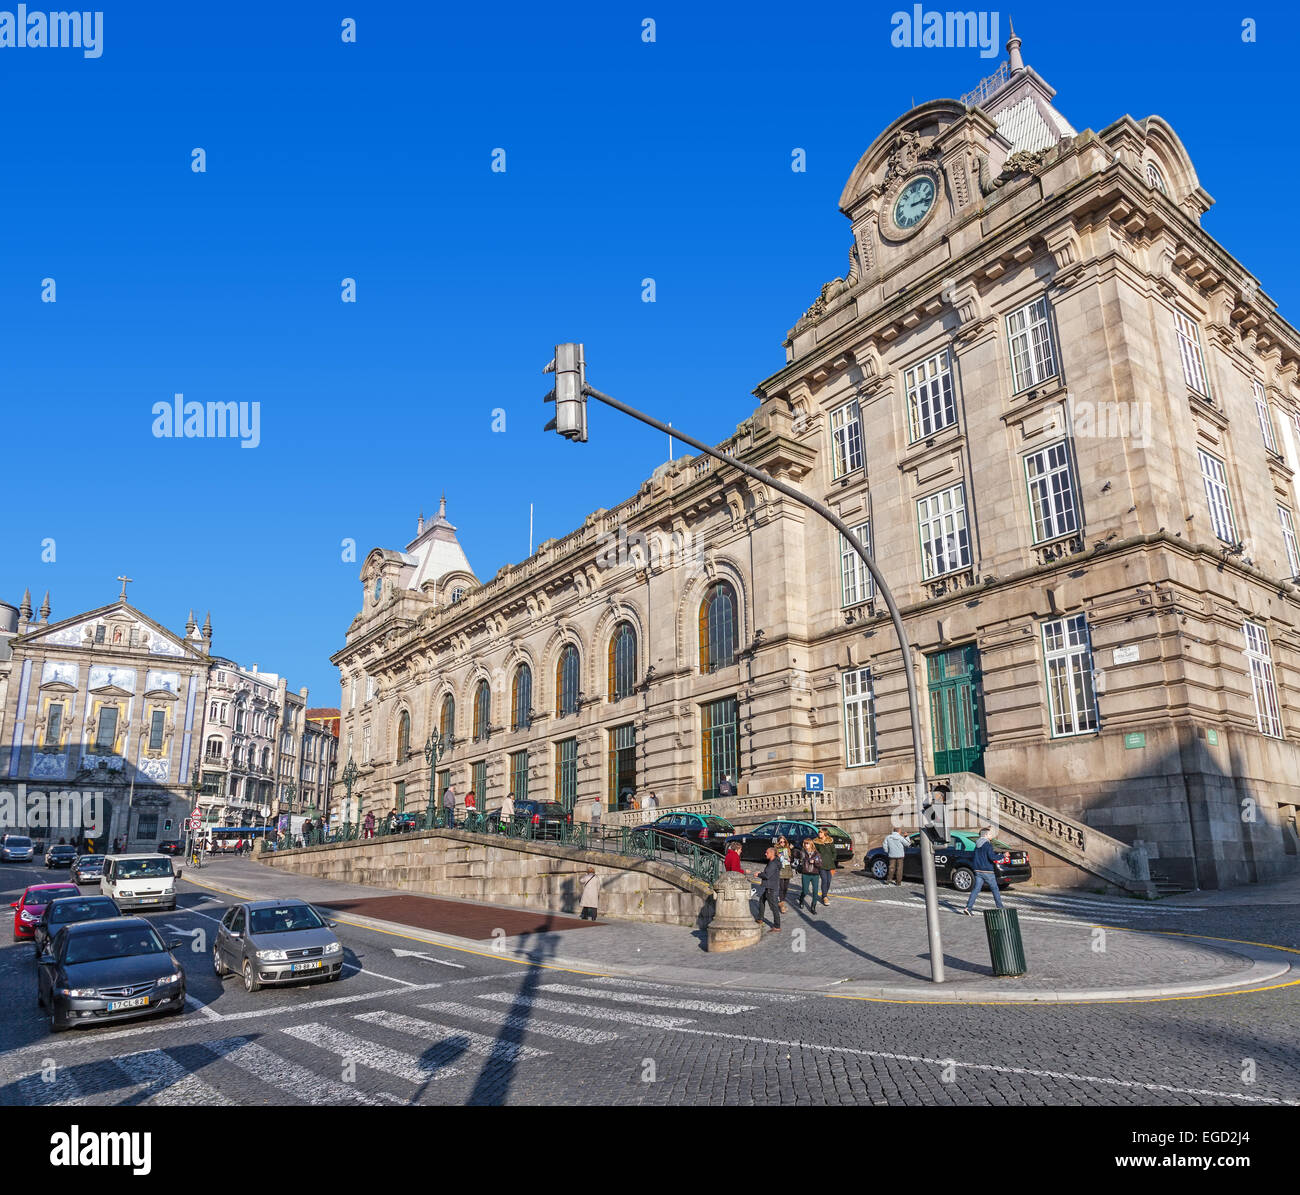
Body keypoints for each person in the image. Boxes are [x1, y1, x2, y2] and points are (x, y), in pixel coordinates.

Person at [962, 827, 1005, 915]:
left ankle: (968, 908)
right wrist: (1003, 856)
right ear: (985, 835)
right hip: (987, 871)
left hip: (978, 870)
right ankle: (1000, 908)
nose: (991, 835)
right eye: (989, 834)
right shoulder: (987, 845)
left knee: (976, 889)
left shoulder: (977, 844)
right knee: (995, 889)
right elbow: (992, 857)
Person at [751, 846, 782, 932]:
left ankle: (777, 925)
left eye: (767, 853)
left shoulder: (773, 863)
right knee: (761, 900)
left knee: (774, 906)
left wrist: (758, 874)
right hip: (770, 886)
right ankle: (760, 918)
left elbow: (767, 875)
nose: (765, 854)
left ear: (772, 854)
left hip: (771, 888)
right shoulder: (774, 861)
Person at [797, 838, 821, 912]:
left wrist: (814, 862)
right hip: (805, 873)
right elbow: (800, 861)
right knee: (805, 891)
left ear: (811, 844)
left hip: (815, 874)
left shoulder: (817, 853)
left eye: (807, 843)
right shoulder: (802, 853)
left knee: (815, 891)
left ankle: (813, 906)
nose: (806, 845)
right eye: (805, 843)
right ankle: (801, 899)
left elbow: (820, 864)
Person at [815, 827, 837, 905]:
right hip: (821, 865)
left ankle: (824, 895)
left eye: (821, 832)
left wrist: (832, 858)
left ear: (825, 833)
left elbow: (834, 852)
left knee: (828, 881)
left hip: (830, 865)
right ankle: (824, 897)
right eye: (819, 832)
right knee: (824, 880)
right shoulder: (816, 842)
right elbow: (815, 853)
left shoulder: (830, 841)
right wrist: (817, 860)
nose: (819, 834)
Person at [775, 835, 793, 913]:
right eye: (781, 841)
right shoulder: (776, 849)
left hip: (787, 868)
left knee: (786, 887)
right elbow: (773, 859)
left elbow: (791, 858)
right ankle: (781, 903)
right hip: (780, 868)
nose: (782, 843)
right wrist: (777, 856)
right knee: (781, 887)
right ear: (778, 842)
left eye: (783, 841)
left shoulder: (788, 848)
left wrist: (790, 859)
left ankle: (782, 900)